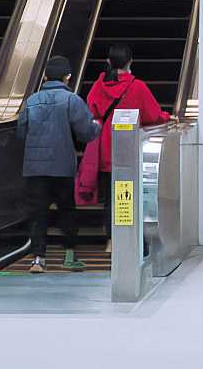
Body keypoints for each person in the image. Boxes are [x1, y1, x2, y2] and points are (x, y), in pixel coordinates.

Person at [20, 55, 98, 273]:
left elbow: (21, 131)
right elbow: (86, 132)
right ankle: (70, 256)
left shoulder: (31, 101)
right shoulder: (71, 100)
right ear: (68, 77)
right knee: (67, 210)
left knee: (38, 212)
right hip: (62, 166)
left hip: (34, 168)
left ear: (45, 76)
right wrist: (97, 127)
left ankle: (38, 259)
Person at [86, 42, 170, 209]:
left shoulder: (98, 86)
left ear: (108, 62)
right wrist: (167, 117)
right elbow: (153, 115)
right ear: (130, 62)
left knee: (109, 197)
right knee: (127, 196)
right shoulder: (137, 87)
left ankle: (110, 233)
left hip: (106, 148)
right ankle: (126, 233)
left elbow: (91, 110)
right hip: (128, 149)